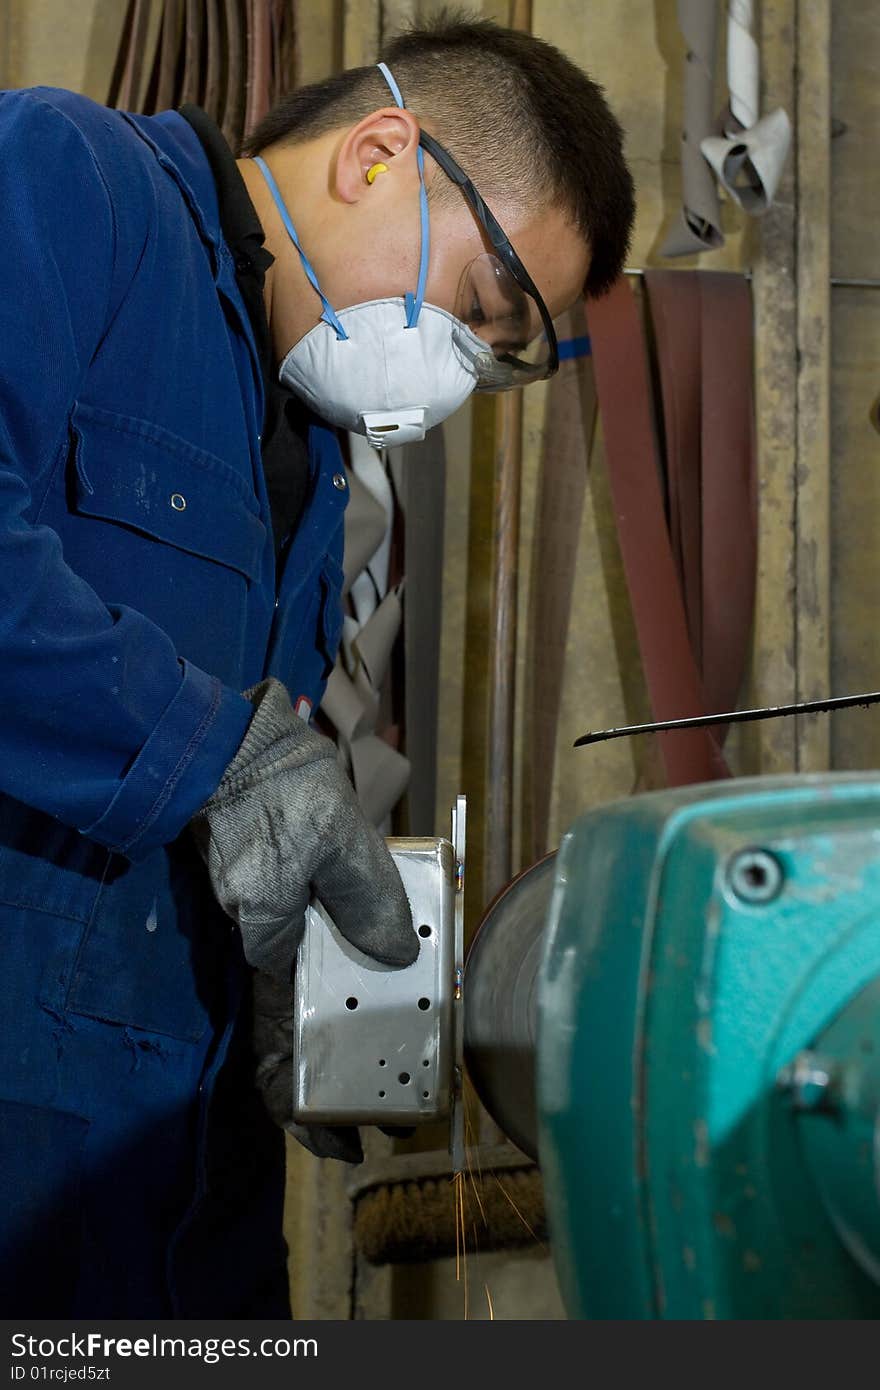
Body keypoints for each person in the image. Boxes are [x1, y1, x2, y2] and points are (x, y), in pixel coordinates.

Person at [0, 14, 634, 1317]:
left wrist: (283, 970)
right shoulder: (71, 183)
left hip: (176, 1201)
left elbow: (239, 811)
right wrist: (220, 760)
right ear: (382, 153)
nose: (460, 374)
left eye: (501, 360)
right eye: (478, 309)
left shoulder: (315, 462)